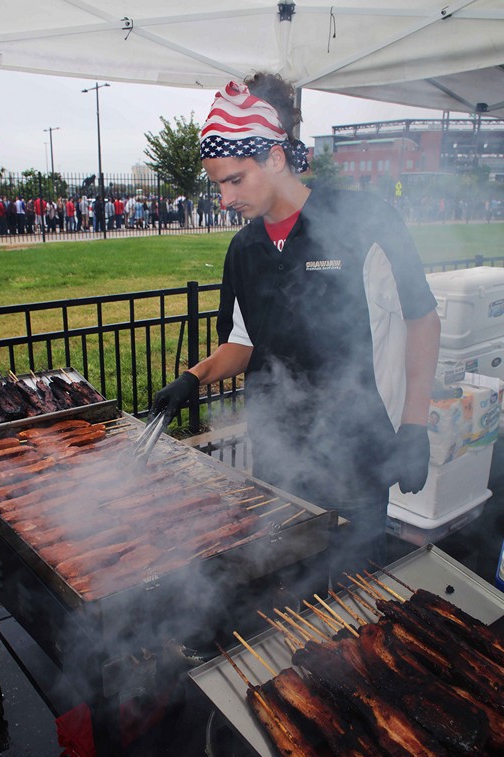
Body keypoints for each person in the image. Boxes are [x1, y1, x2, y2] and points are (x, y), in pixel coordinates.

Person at [150, 73, 441, 588]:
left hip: (359, 455)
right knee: (287, 589)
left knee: (354, 596)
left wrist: (415, 425)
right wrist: (193, 378)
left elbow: (422, 319)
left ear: (275, 158)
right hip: (279, 455)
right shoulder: (244, 249)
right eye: (217, 183)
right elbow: (243, 341)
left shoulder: (365, 221)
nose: (223, 198)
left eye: (235, 179)